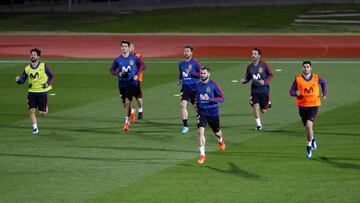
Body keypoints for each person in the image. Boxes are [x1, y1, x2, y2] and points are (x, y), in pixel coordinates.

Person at [290, 61, 327, 158]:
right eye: (304, 67)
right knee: (307, 128)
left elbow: (323, 83)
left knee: (309, 125)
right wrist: (295, 93)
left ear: (310, 68)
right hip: (302, 106)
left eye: (308, 67)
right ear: (302, 68)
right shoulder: (297, 79)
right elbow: (291, 91)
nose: (306, 68)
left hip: (314, 105)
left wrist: (324, 93)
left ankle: (308, 147)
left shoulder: (316, 77)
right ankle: (313, 138)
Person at [15, 48, 55, 134]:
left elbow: (52, 76)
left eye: (34, 55)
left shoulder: (44, 66)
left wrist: (48, 83)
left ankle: (45, 107)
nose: (32, 56)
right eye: (31, 54)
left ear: (38, 56)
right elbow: (22, 80)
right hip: (32, 92)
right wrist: (18, 80)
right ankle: (35, 128)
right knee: (31, 110)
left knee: (42, 113)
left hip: (42, 92)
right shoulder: (27, 69)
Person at [195, 66, 225, 164]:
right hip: (202, 112)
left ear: (208, 74)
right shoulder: (198, 85)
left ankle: (220, 140)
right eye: (201, 73)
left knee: (217, 132)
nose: (202, 75)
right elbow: (197, 97)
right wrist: (196, 104)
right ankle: (202, 154)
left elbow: (222, 98)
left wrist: (212, 99)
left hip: (212, 112)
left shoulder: (213, 85)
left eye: (204, 73)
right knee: (200, 132)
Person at [110, 40, 142, 131]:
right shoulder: (117, 60)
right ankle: (132, 110)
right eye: (122, 46)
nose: (123, 47)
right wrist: (117, 74)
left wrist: (137, 74)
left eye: (125, 46)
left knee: (128, 101)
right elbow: (111, 70)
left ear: (128, 48)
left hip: (132, 83)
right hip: (122, 84)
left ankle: (126, 123)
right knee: (125, 103)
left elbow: (141, 66)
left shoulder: (134, 58)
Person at [240, 48, 273, 130]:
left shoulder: (264, 64)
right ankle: (259, 125)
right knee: (255, 105)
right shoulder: (250, 66)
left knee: (264, 110)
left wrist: (265, 82)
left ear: (259, 56)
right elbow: (248, 77)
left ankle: (267, 103)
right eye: (252, 53)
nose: (253, 55)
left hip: (264, 89)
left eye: (255, 54)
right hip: (254, 89)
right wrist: (244, 81)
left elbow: (271, 75)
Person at [177, 44, 202, 134]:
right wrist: (179, 79)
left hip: (195, 89)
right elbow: (181, 74)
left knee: (197, 107)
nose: (186, 52)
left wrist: (191, 73)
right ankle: (185, 126)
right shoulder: (181, 64)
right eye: (185, 51)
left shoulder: (196, 63)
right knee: (183, 105)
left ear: (191, 52)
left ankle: (201, 117)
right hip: (185, 88)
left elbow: (201, 74)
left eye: (188, 51)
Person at [129, 43, 146, 120]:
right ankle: (132, 110)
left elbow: (144, 66)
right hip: (127, 80)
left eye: (130, 47)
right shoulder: (124, 58)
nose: (128, 48)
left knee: (138, 97)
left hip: (137, 79)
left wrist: (137, 69)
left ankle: (140, 110)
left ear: (133, 48)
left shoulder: (138, 56)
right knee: (127, 97)